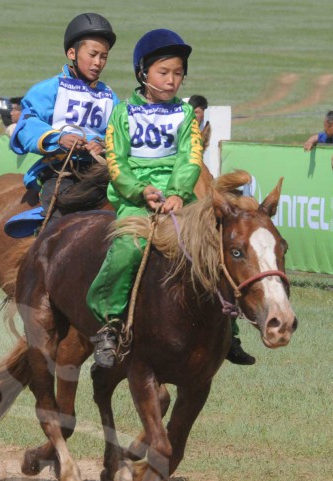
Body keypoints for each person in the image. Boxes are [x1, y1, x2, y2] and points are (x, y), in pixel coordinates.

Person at [86, 29, 255, 367]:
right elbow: (116, 161)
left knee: (211, 248)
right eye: (163, 72)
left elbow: (191, 157)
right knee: (125, 250)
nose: (172, 80)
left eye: (178, 73)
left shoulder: (185, 117)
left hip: (180, 197)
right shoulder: (121, 114)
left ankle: (229, 330)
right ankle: (109, 325)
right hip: (134, 198)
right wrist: (139, 191)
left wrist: (178, 193)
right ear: (142, 73)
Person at [10, 12, 118, 215]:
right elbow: (27, 125)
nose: (98, 62)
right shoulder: (49, 89)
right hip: (60, 169)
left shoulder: (110, 97)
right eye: (92, 54)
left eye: (103, 57)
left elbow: (119, 134)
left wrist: (103, 144)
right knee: (56, 216)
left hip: (100, 171)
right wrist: (59, 139)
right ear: (72, 53)